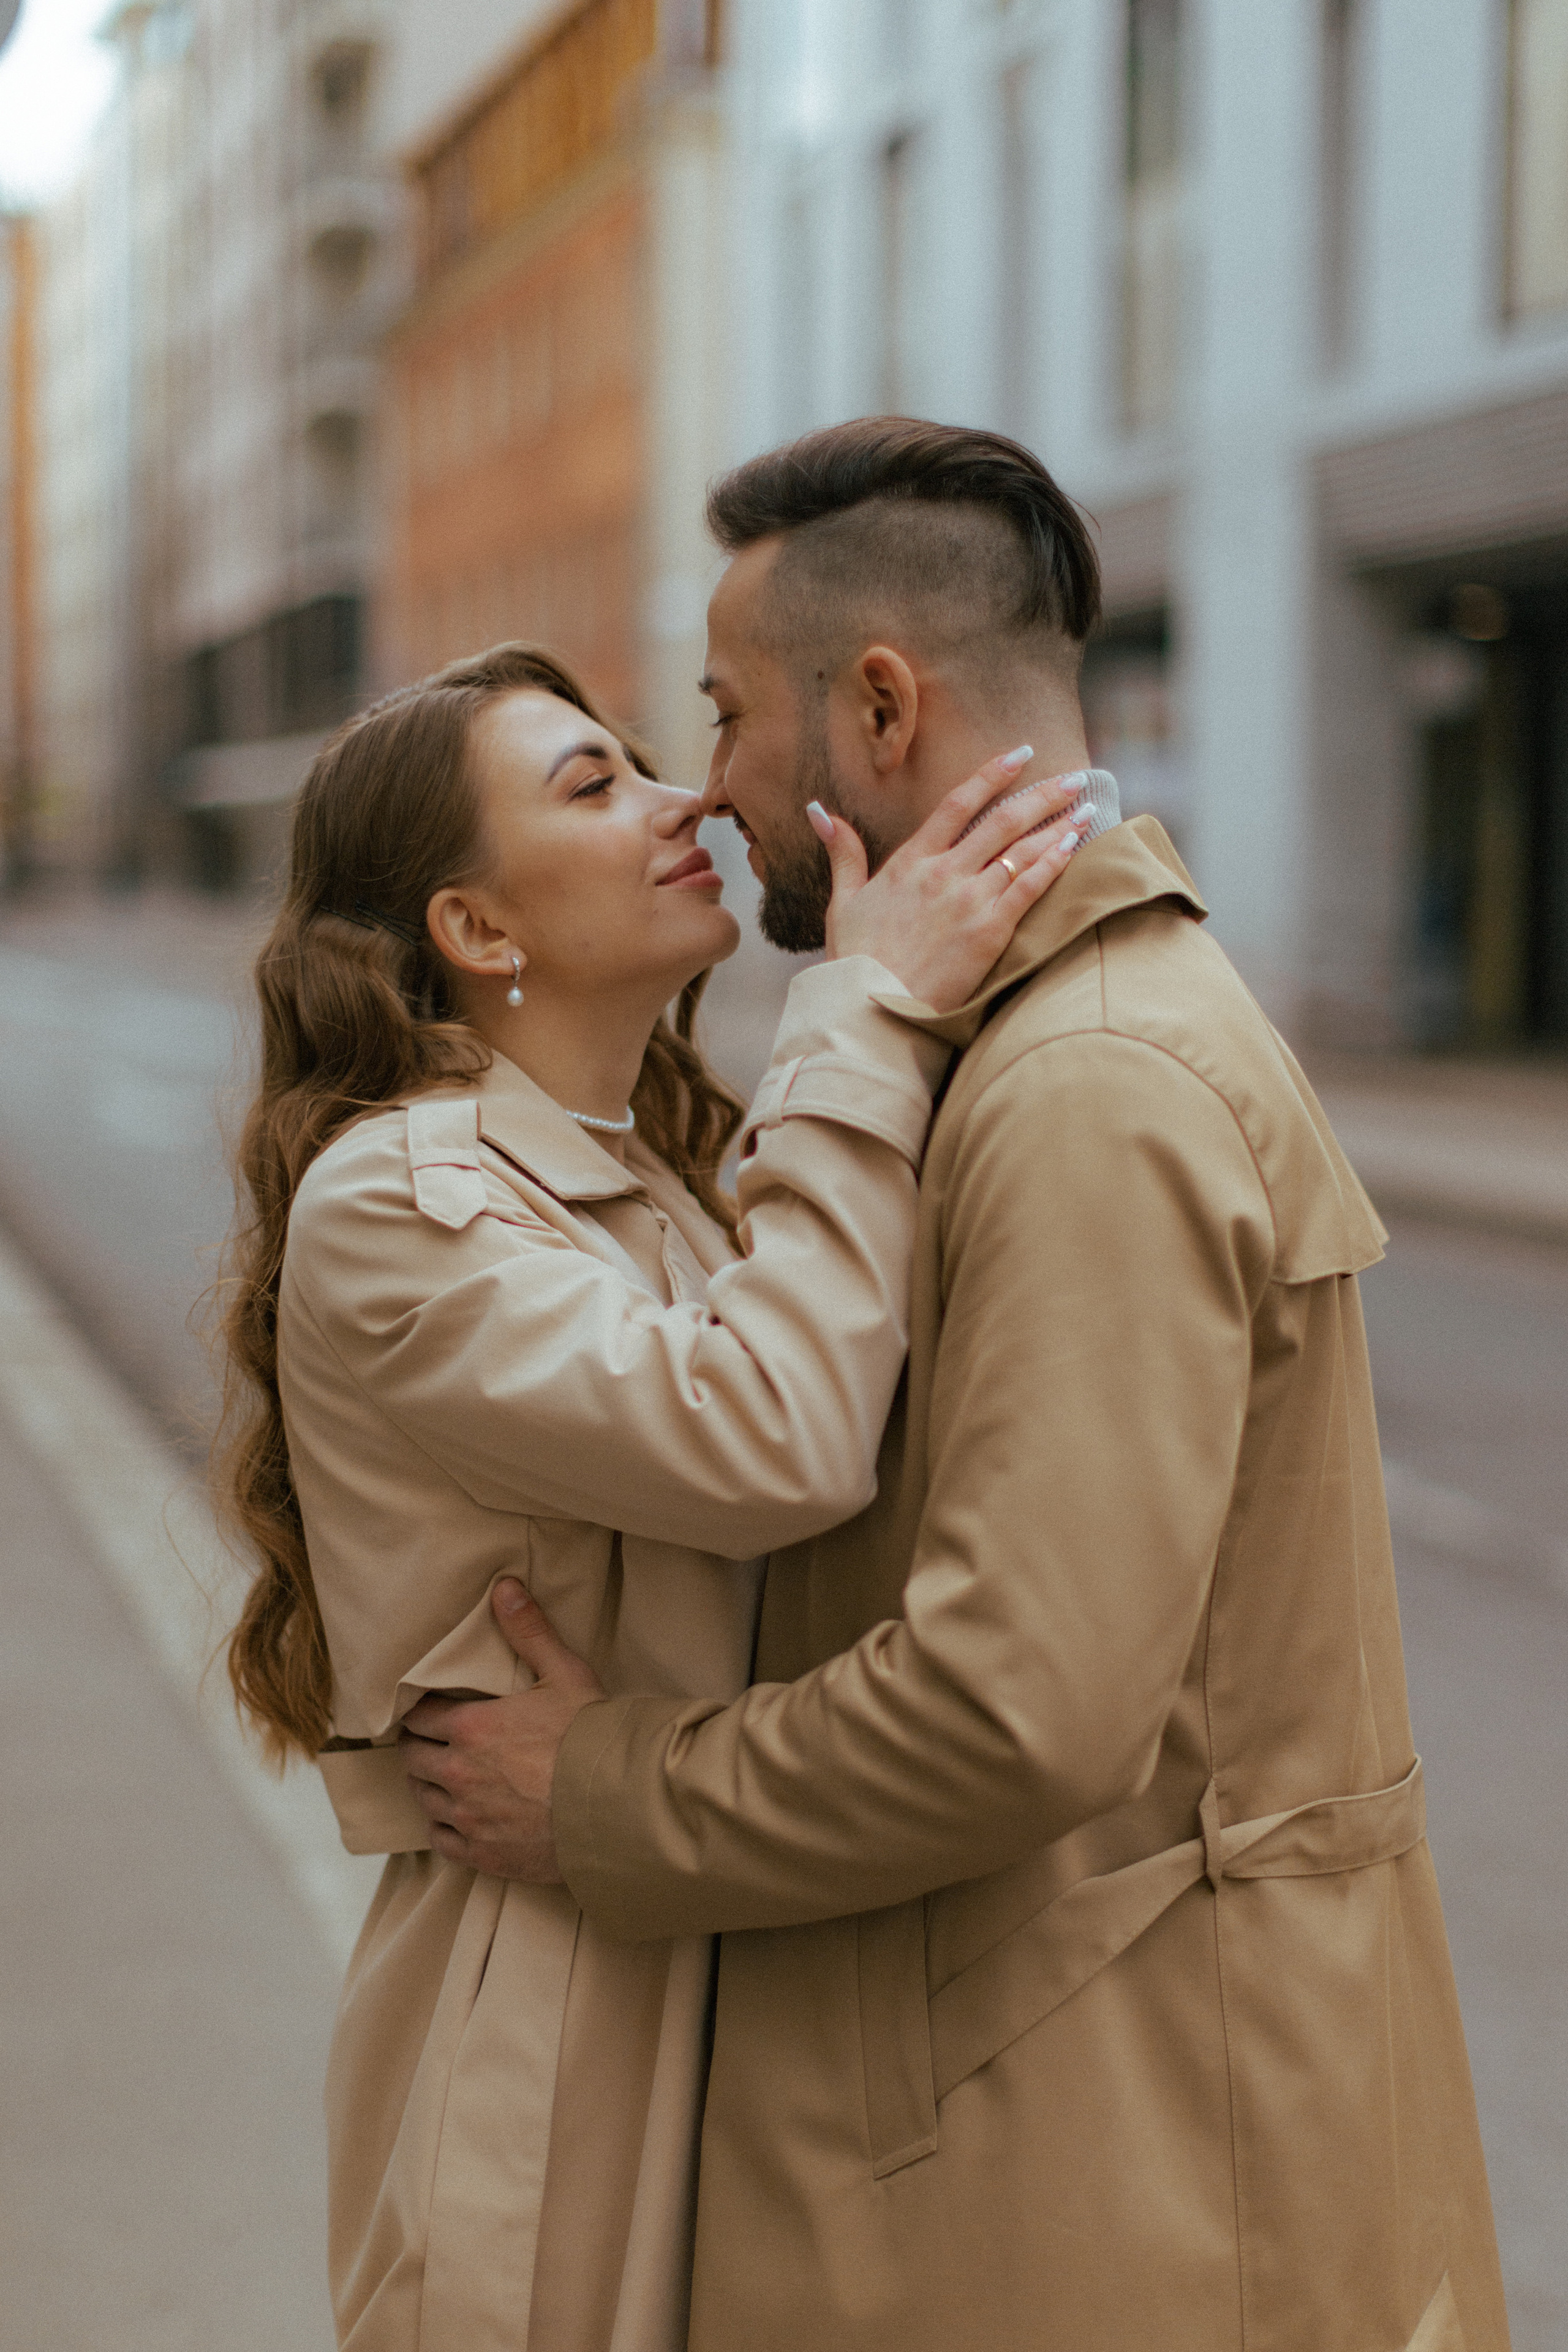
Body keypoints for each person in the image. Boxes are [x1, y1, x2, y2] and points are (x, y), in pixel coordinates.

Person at [403, 423, 1511, 2352]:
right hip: (1070, 2133)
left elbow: (1013, 1709)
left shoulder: (1086, 1085)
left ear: (884, 708)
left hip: (1099, 2189)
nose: (714, 785)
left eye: (734, 715)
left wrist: (599, 1792)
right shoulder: (1022, 1044)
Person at [215, 638, 1086, 2351]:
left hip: (699, 1929)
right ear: (478, 931)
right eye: (594, 784)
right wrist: (860, 1010)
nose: (684, 796)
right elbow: (778, 1436)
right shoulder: (402, 1199)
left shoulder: (656, 1176)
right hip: (554, 2017)